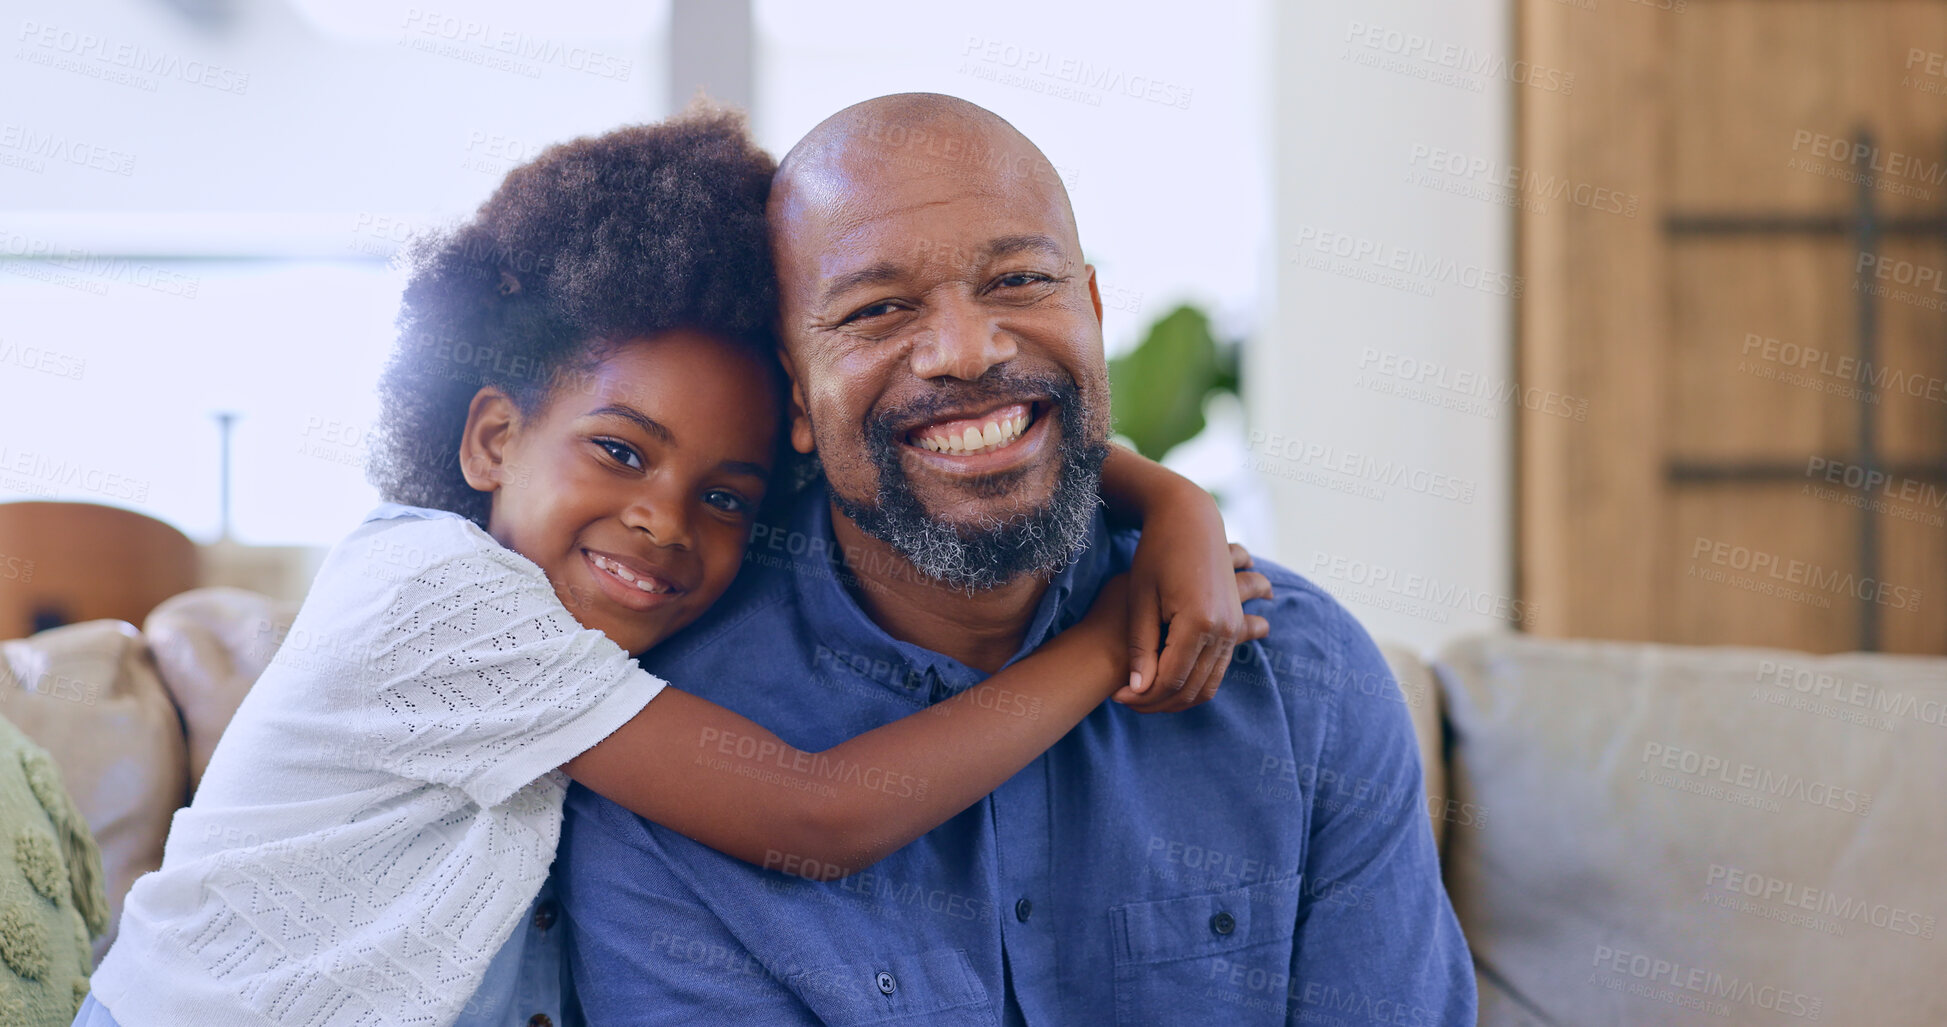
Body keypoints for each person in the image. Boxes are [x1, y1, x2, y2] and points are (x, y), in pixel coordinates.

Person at [75, 108, 1263, 1027]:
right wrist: (1106, 642)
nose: (662, 519)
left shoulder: (604, 655)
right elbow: (822, 813)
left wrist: (1166, 496)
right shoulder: (433, 594)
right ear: (491, 435)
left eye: (726, 494)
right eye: (618, 450)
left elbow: (927, 434)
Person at [559, 93, 1477, 1025]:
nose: (965, 350)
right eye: (877, 309)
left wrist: (1171, 499)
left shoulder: (1300, 682)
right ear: (796, 399)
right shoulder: (670, 754)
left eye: (1017, 282)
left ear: (1091, 310)